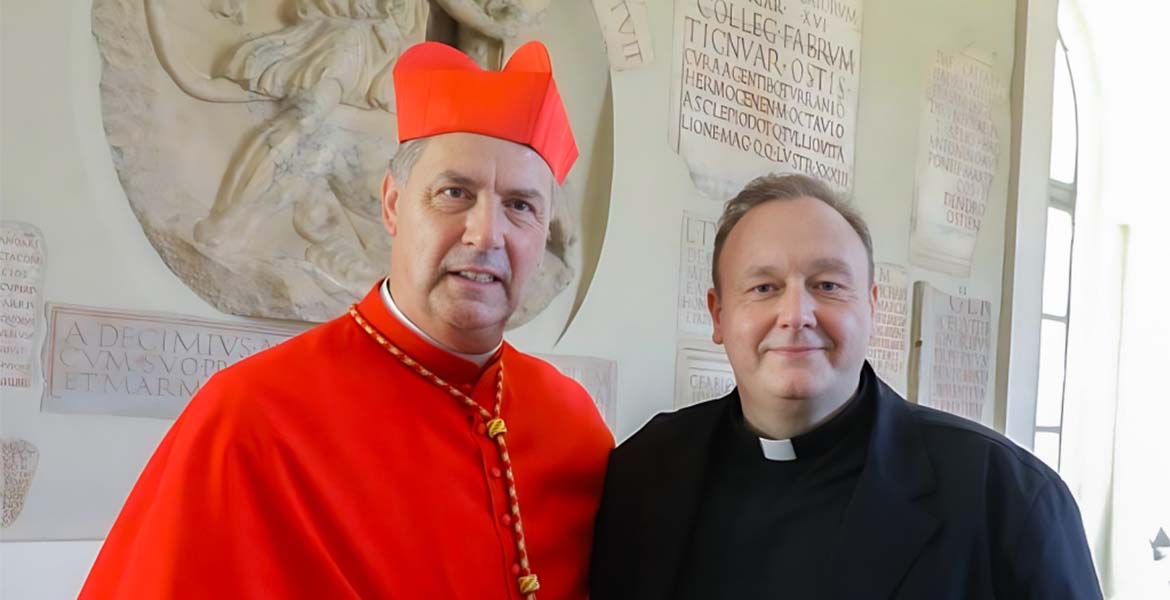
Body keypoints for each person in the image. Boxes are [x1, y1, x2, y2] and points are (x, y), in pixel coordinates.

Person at [80, 40, 613, 600]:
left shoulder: (573, 426)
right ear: (392, 204)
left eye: (521, 206)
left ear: (543, 232)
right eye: (455, 193)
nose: (486, 235)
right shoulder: (249, 418)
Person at [590, 174, 1102, 599]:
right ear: (718, 314)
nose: (796, 314)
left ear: (871, 308)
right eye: (764, 287)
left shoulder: (1007, 496)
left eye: (828, 286)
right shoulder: (644, 473)